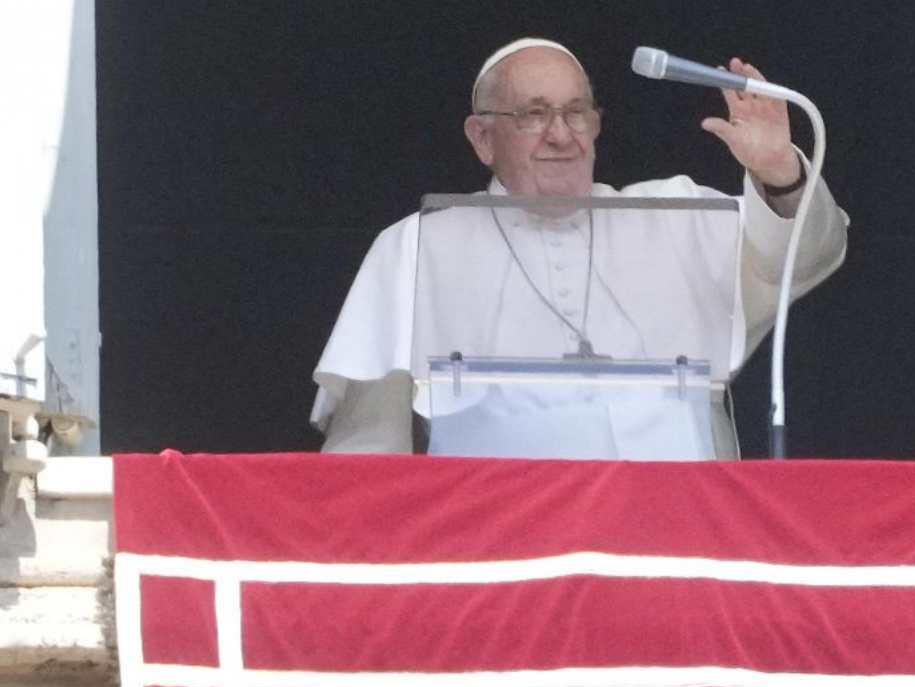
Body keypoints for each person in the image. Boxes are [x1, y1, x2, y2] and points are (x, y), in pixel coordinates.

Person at [311, 38, 849, 456]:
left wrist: (778, 172)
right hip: (505, 551)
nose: (561, 135)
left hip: (677, 534)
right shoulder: (419, 244)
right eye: (533, 114)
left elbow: (805, 255)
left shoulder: (674, 214)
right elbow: (369, 440)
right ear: (481, 139)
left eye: (576, 113)